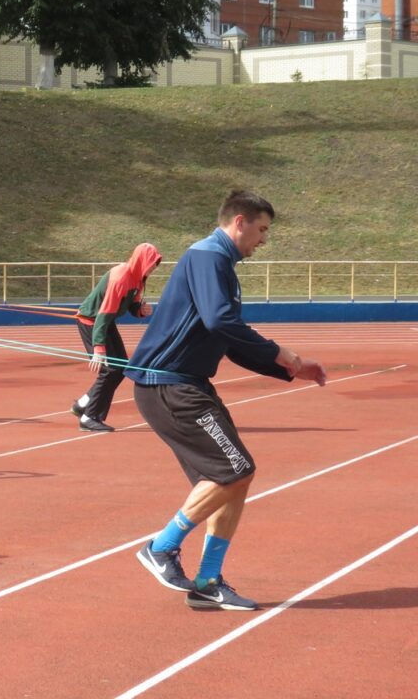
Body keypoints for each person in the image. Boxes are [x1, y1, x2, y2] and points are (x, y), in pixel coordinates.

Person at [125, 190, 326, 611]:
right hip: (169, 386)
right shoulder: (207, 257)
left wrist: (289, 367)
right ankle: (160, 548)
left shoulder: (220, 266)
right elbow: (221, 321)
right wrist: (278, 351)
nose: (264, 239)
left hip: (187, 384)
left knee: (235, 480)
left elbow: (227, 340)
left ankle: (208, 580)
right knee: (235, 469)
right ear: (240, 221)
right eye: (262, 229)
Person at [71, 242, 162, 433]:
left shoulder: (138, 278)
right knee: (110, 369)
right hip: (93, 322)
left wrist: (140, 310)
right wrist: (98, 347)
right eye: (152, 263)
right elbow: (104, 313)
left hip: (106, 321)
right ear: (141, 261)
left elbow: (131, 306)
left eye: (155, 263)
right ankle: (89, 417)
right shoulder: (121, 277)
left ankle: (83, 404)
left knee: (121, 368)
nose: (154, 267)